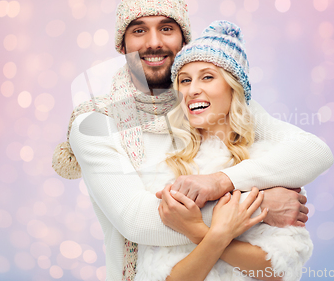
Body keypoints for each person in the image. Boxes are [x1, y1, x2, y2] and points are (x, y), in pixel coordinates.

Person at [51, 0, 333, 281]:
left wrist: (220, 183)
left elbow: (314, 152)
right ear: (122, 44)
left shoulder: (206, 102)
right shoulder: (95, 123)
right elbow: (138, 220)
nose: (154, 42)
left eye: (167, 29)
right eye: (139, 30)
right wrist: (261, 205)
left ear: (184, 39)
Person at [134, 21, 313, 281]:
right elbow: (162, 276)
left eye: (207, 76)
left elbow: (277, 271)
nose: (193, 89)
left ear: (234, 87)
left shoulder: (271, 163)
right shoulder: (165, 164)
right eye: (184, 80)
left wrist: (197, 230)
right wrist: (222, 229)